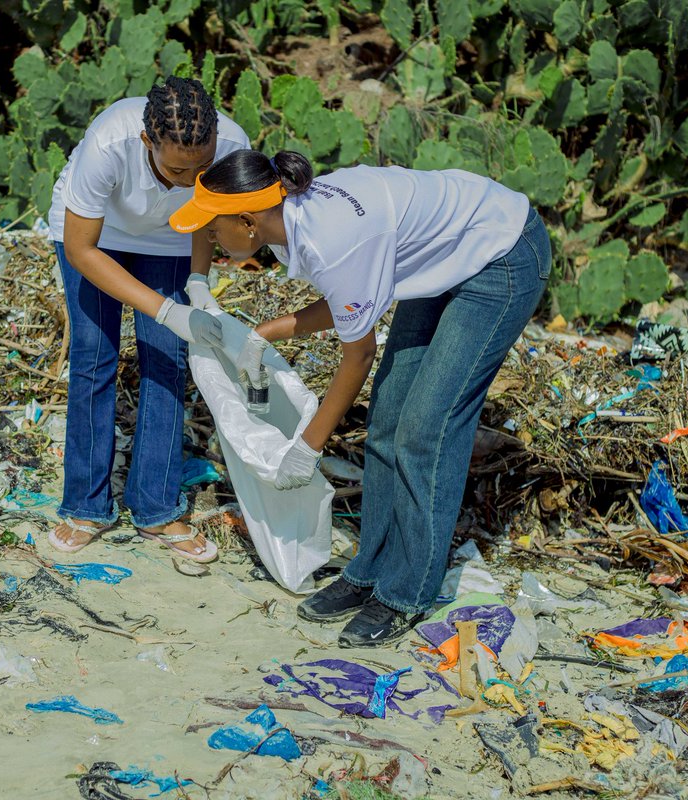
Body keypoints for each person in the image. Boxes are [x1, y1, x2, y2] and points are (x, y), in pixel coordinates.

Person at [168, 150, 550, 645]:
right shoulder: (287, 222)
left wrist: (308, 446)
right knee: (388, 419)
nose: (210, 238)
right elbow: (354, 298)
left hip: (502, 255)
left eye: (213, 227)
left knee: (425, 429)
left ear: (247, 221)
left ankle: (406, 591)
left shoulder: (332, 240)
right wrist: (265, 333)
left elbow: (360, 353)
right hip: (443, 252)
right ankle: (369, 570)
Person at [46, 76, 250, 563]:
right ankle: (86, 506)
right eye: (179, 169)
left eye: (203, 165)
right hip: (96, 236)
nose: (192, 177)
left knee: (168, 359)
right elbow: (80, 248)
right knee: (95, 359)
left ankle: (156, 508)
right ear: (147, 142)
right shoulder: (110, 141)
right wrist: (163, 308)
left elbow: (206, 213)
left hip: (171, 242)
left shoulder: (232, 146)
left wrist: (197, 283)